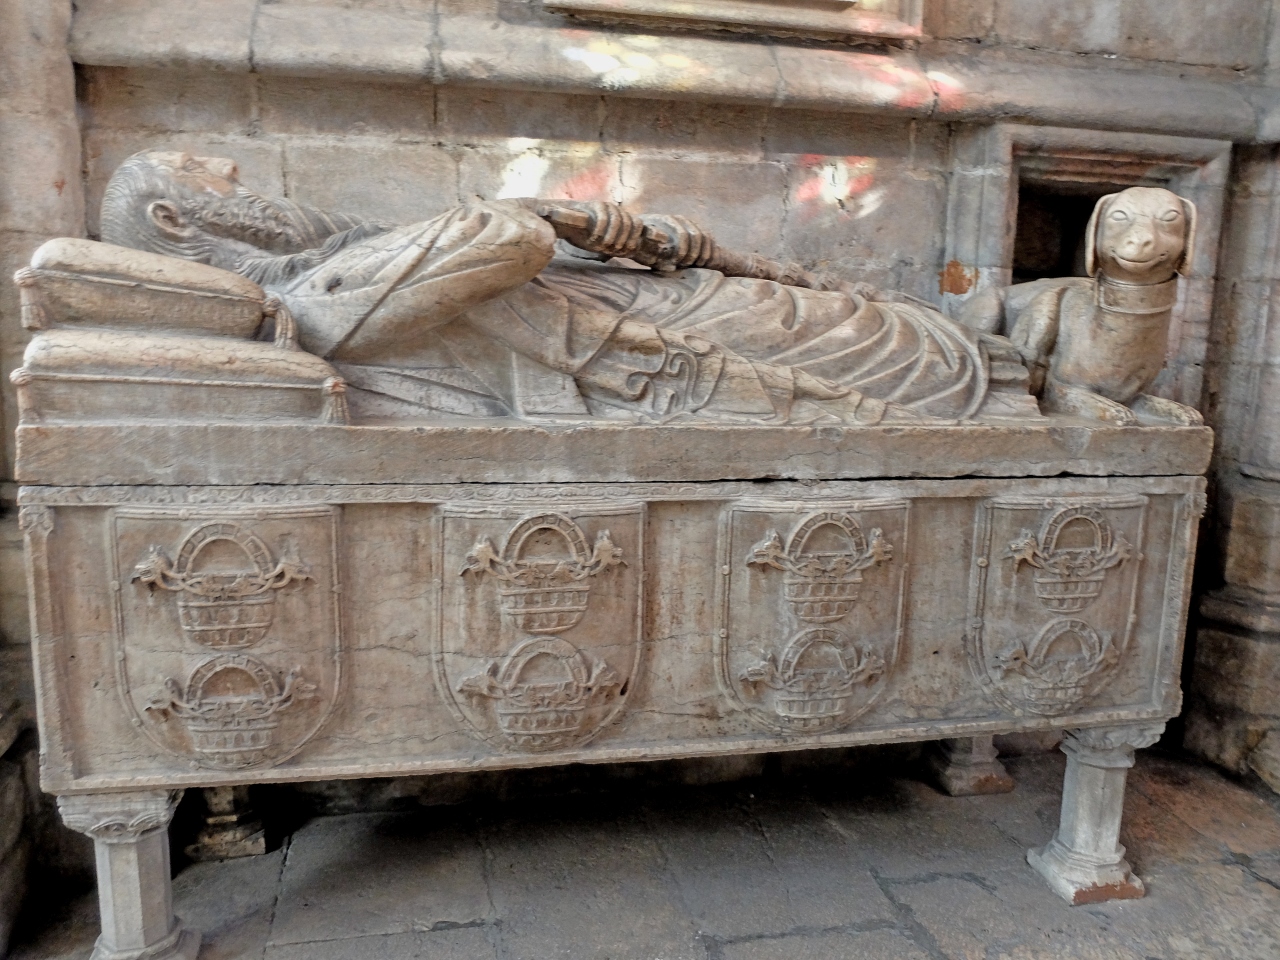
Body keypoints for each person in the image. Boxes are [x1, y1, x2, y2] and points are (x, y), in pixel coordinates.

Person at [99, 150, 1029, 425]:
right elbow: (500, 241)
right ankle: (1007, 375)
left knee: (838, 315)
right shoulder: (312, 298)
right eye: (205, 173)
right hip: (627, 353)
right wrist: (554, 211)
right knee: (865, 341)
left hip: (619, 305)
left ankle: (1011, 364)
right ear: (176, 222)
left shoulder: (322, 261)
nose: (232, 170)